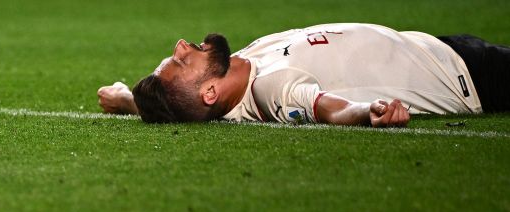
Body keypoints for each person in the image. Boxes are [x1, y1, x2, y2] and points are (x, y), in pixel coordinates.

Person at [97, 23, 510, 127]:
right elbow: (328, 109)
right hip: (470, 76)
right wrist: (370, 111)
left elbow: (176, 105)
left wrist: (128, 101)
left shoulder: (240, 64)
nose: (181, 46)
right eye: (183, 61)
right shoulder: (267, 88)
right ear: (209, 93)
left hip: (436, 47)